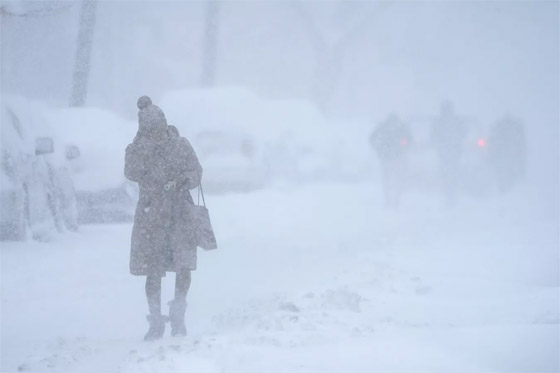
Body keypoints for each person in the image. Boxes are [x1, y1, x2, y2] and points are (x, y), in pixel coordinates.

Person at [124, 96, 202, 341]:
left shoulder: (181, 145)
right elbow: (131, 173)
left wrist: (181, 181)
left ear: (164, 125)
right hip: (151, 216)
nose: (155, 136)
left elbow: (196, 172)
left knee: (183, 264)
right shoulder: (137, 148)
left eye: (157, 130)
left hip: (179, 213)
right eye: (149, 132)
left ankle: (178, 315)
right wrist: (141, 147)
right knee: (152, 270)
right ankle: (156, 320)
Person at [369, 113, 411, 208]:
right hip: (395, 157)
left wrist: (378, 149)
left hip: (387, 157)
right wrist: (403, 146)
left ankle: (389, 199)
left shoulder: (384, 127)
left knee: (388, 179)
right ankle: (394, 199)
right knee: (396, 179)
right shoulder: (401, 128)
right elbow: (408, 140)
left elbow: (372, 138)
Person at [431, 100, 466, 206]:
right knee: (451, 174)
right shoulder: (457, 121)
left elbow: (433, 135)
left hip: (446, 153)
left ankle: (450, 196)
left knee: (447, 174)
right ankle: (451, 196)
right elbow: (464, 133)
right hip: (452, 152)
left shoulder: (439, 122)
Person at [488, 115, 526, 194]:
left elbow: (493, 144)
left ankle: (505, 190)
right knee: (505, 172)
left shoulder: (499, 132)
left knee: (503, 173)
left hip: (503, 159)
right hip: (506, 159)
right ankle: (506, 191)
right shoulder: (515, 133)